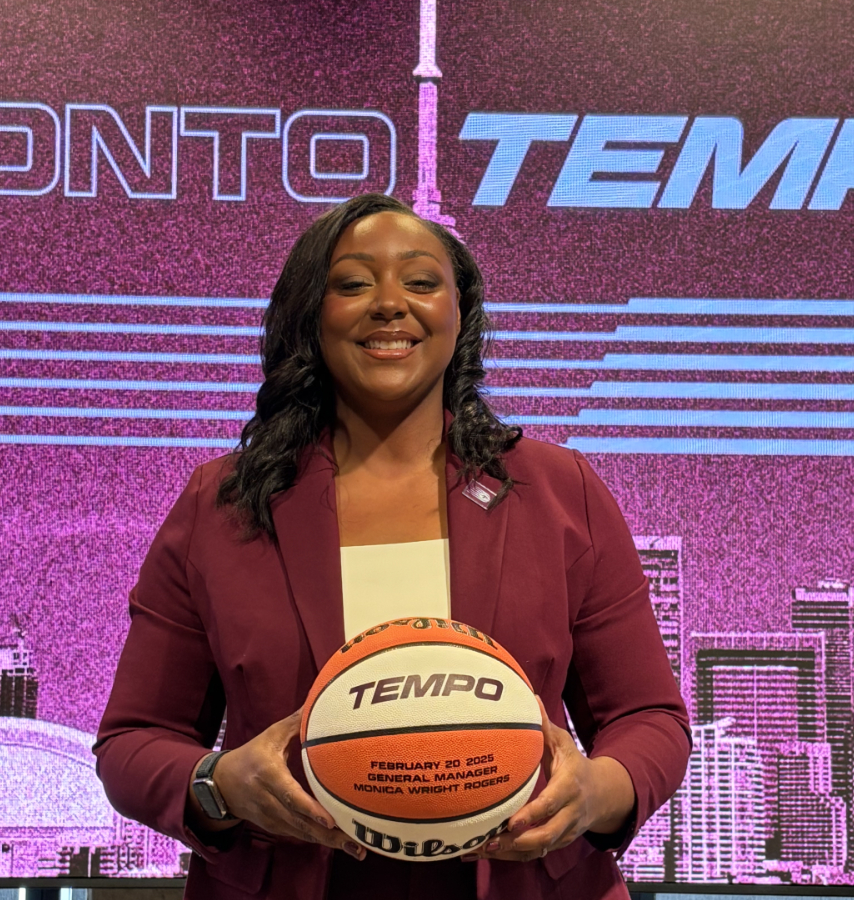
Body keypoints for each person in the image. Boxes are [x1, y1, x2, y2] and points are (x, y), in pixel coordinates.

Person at [93, 193, 690, 900]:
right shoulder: (221, 504)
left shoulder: (561, 489)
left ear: (459, 313)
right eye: (351, 284)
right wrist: (221, 786)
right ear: (310, 316)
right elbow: (133, 741)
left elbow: (649, 720)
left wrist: (597, 792)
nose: (389, 304)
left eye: (421, 281)